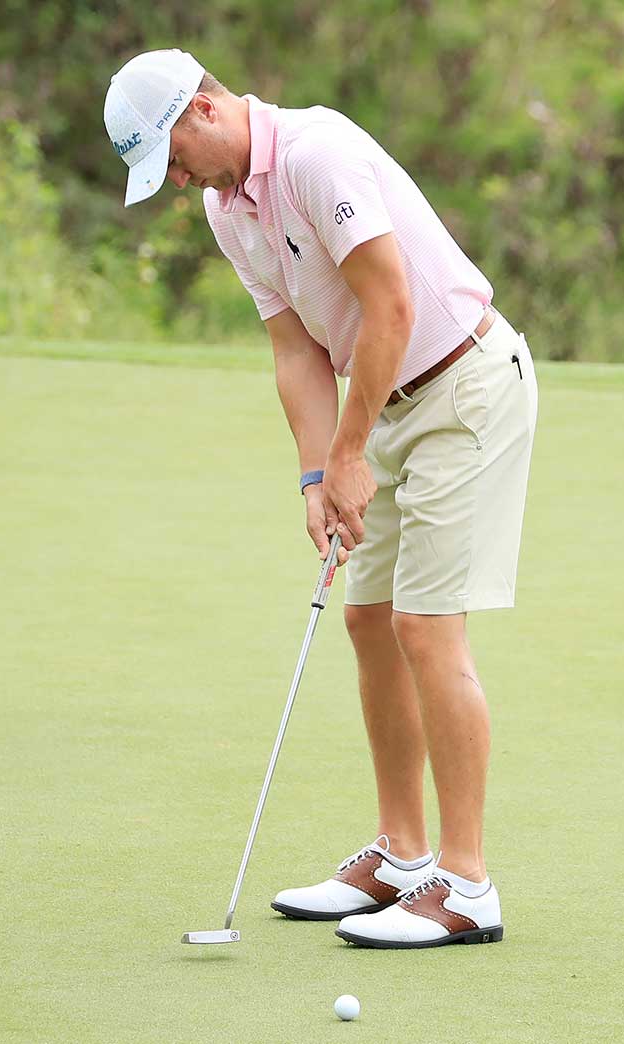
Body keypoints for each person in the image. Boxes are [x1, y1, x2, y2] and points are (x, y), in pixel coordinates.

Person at [106, 51, 538, 948]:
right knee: (368, 619)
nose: (179, 180)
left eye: (175, 158)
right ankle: (404, 855)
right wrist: (317, 476)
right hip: (382, 403)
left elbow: (390, 309)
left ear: (204, 108)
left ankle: (467, 887)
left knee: (425, 625)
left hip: (466, 387)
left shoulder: (315, 152)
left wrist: (349, 453)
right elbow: (296, 349)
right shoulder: (228, 209)